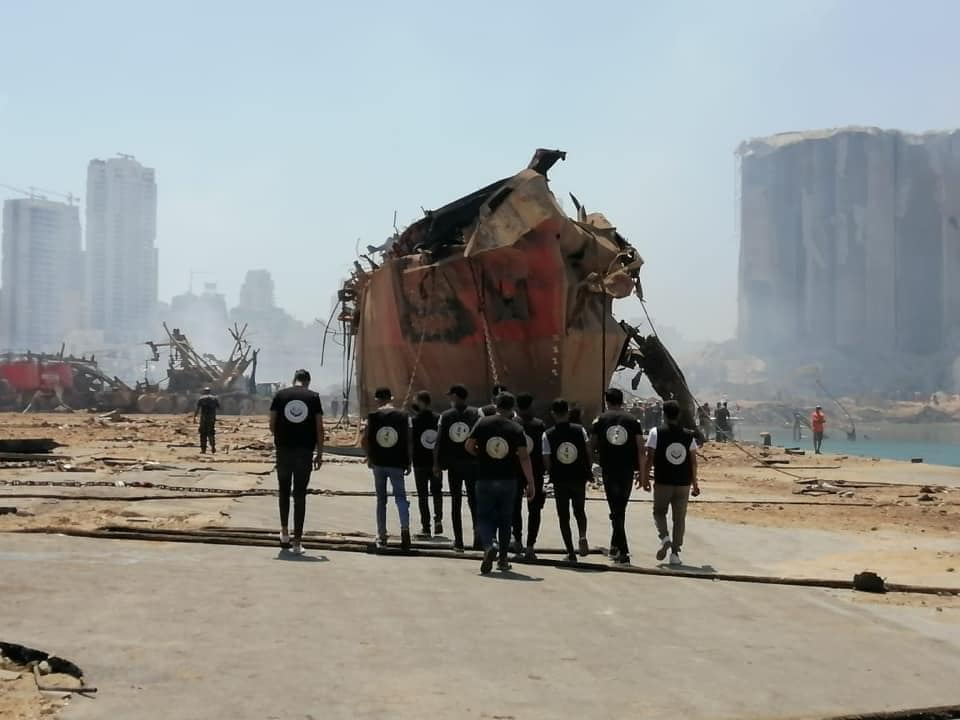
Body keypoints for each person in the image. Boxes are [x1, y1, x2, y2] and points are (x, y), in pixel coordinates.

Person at [466, 392, 535, 574]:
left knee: (483, 516)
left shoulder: (482, 423)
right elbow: (524, 457)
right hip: (508, 480)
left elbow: (468, 446)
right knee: (505, 520)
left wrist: (480, 455)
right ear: (513, 409)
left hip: (485, 477)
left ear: (495, 405)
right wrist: (531, 482)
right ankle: (503, 559)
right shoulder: (516, 428)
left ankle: (490, 544)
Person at [639, 399, 700, 566]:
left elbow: (649, 457)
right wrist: (695, 484)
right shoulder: (688, 435)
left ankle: (665, 538)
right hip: (683, 483)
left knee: (659, 512)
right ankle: (675, 553)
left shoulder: (655, 432)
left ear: (664, 415)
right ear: (678, 415)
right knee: (679, 519)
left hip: (663, 481)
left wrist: (644, 478)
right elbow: (693, 461)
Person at [270, 369, 324, 555]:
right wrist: (320, 452)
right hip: (304, 451)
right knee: (300, 495)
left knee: (284, 491)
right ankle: (297, 543)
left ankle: (284, 533)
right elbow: (319, 427)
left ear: (294, 380)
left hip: (283, 450)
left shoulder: (280, 395)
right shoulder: (313, 397)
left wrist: (283, 437)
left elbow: (272, 423)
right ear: (308, 381)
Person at [590, 387, 644, 564]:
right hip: (627, 470)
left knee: (616, 509)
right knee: (620, 509)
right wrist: (643, 474)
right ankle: (615, 546)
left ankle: (624, 551)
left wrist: (591, 465)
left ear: (607, 401)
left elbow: (592, 446)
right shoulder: (633, 421)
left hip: (609, 470)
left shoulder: (600, 420)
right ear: (621, 401)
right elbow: (640, 449)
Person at [362, 387, 413, 549]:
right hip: (398, 463)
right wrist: (409, 461)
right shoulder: (404, 416)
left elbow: (364, 440)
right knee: (400, 497)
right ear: (390, 399)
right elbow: (409, 441)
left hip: (378, 462)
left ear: (378, 400)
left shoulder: (372, 416)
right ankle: (405, 529)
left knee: (381, 500)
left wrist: (369, 457)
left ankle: (381, 535)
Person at [542, 398, 591, 563]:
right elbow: (587, 451)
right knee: (580, 510)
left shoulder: (547, 434)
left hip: (560, 478)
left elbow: (547, 459)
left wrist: (552, 473)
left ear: (553, 414)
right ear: (568, 412)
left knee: (564, 516)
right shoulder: (580, 430)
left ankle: (570, 552)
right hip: (578, 476)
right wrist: (588, 470)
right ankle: (582, 536)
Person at [434, 384, 481, 551]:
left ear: (457, 396)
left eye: (451, 396)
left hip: (454, 465)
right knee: (474, 502)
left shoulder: (445, 416)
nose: (450, 400)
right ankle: (478, 539)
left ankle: (459, 541)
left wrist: (436, 464)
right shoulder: (476, 413)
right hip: (472, 464)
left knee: (456, 502)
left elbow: (439, 441)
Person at [514, 392, 546, 559]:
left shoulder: (513, 424)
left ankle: (517, 541)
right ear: (531, 405)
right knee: (534, 510)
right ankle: (530, 546)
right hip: (536, 471)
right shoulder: (539, 424)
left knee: (514, 508)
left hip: (515, 470)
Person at [410, 390, 442, 537]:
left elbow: (410, 441)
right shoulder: (439, 419)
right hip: (436, 462)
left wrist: (408, 460)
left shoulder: (414, 420)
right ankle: (438, 521)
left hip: (420, 462)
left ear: (421, 402)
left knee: (423, 495)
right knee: (437, 492)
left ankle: (426, 526)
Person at [194, 386, 220, 454]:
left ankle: (203, 449)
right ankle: (213, 447)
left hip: (203, 419)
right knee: (211, 433)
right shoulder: (214, 399)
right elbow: (219, 408)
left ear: (204, 391)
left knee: (203, 434)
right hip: (211, 419)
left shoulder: (201, 398)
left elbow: (197, 409)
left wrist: (194, 417)